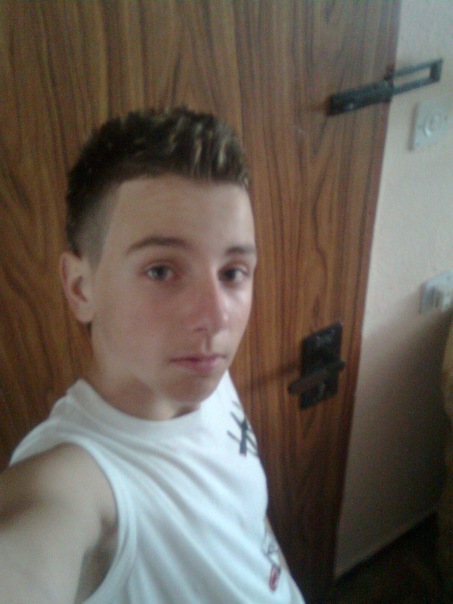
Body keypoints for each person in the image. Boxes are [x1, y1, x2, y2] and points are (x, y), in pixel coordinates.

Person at [0, 107, 305, 604]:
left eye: (232, 272)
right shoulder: (78, 484)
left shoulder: (202, 374)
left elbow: (251, 527)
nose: (217, 318)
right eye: (162, 271)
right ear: (80, 288)